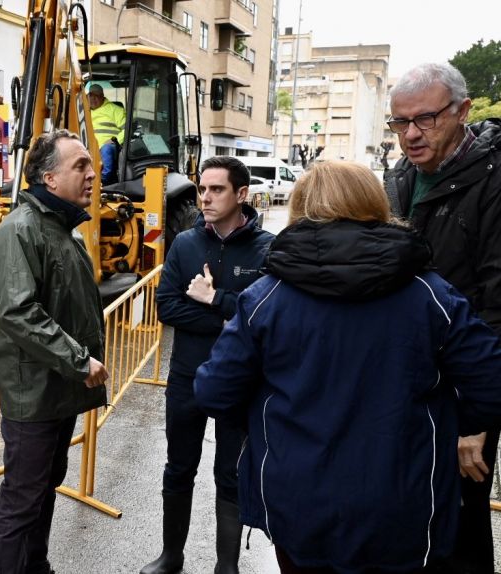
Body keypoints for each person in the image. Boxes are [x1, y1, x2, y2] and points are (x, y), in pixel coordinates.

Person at [196, 161, 501, 573]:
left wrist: (268, 417)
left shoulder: (267, 296)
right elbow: (489, 381)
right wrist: (450, 423)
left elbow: (214, 391)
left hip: (297, 496)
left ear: (301, 208)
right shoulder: (429, 293)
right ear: (375, 204)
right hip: (400, 497)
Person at [385, 62, 501, 574]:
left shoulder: (493, 180)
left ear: (463, 111)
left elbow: (498, 307)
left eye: (425, 119)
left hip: (464, 391)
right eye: (400, 122)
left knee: (461, 528)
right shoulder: (402, 177)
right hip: (410, 383)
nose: (411, 134)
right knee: (411, 517)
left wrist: (477, 420)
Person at [0, 129, 109, 574]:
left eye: (91, 165)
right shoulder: (20, 230)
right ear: (49, 178)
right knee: (22, 500)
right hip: (33, 394)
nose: (92, 174)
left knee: (44, 488)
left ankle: (36, 566)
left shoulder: (63, 231)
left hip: (57, 389)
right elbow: (18, 313)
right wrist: (79, 360)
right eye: (80, 166)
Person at [145, 156, 273, 574]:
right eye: (202, 189)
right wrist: (227, 318)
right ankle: (171, 556)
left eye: (216, 189)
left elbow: (264, 317)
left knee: (230, 475)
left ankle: (226, 567)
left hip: (240, 381)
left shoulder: (266, 249)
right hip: (188, 376)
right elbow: (167, 307)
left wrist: (213, 298)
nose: (205, 197)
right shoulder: (185, 244)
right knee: (178, 467)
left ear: (241, 194)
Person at [87, 84, 126, 185]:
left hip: (109, 145)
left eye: (96, 96)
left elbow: (126, 130)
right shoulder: (84, 112)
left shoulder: (115, 110)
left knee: (106, 149)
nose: (93, 99)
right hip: (89, 147)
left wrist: (114, 140)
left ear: (102, 97)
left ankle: (102, 180)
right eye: (90, 96)